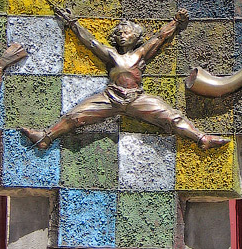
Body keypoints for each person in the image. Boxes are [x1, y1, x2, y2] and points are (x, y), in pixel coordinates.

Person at [22, 9, 229, 151]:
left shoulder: (140, 54)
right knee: (76, 115)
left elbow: (159, 38)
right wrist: (72, 23)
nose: (122, 35)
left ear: (136, 37)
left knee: (170, 116)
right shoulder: (111, 55)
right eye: (119, 33)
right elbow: (91, 43)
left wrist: (175, 21)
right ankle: (45, 138)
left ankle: (203, 139)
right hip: (110, 98)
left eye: (127, 32)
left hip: (136, 99)